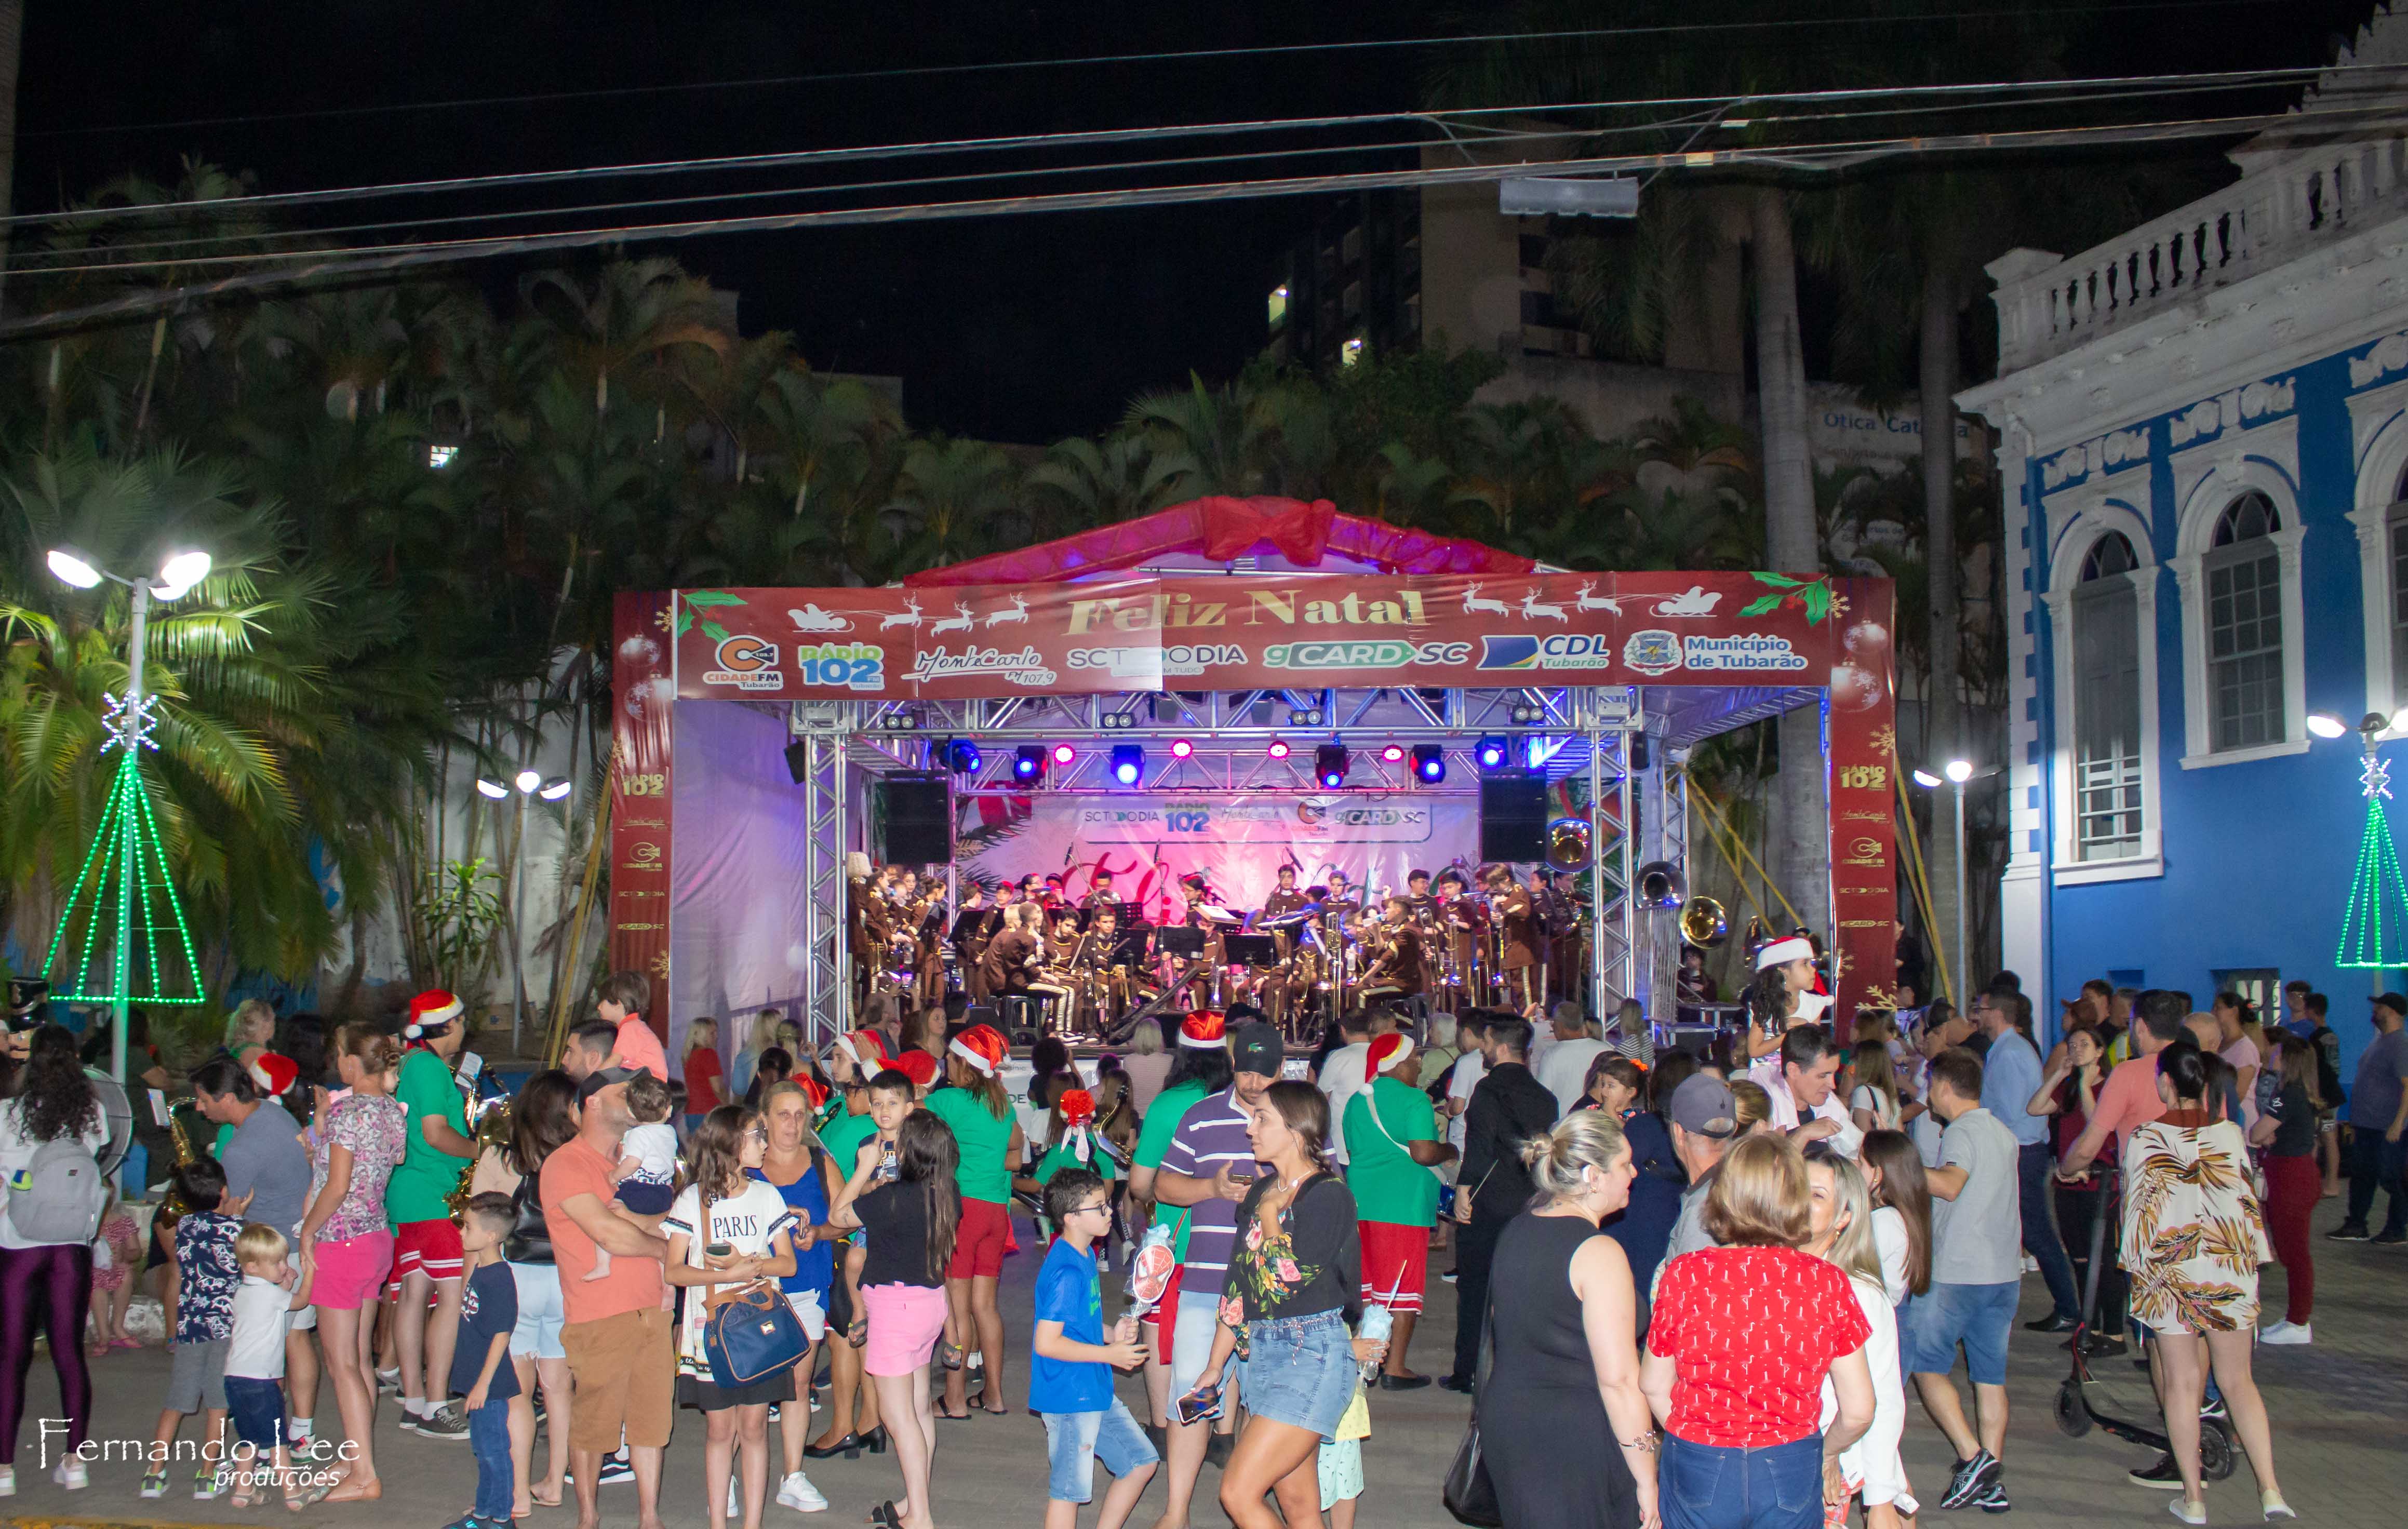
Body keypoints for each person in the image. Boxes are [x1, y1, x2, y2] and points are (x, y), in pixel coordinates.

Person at [1641, 1134, 1876, 1529]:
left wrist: (1694, 1433)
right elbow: (1860, 1410)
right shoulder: (1827, 1283)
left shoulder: (1686, 1274)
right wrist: (1826, 1453)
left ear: (1724, 1194)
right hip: (1790, 1461)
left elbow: (1652, 1384)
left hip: (1699, 1461)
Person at [1189, 1082, 1381, 1529]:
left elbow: (1284, 1280)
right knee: (1297, 1504)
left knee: (1238, 1493)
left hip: (1311, 1355)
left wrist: (1271, 1214)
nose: (1250, 1129)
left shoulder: (1328, 1195)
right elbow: (1239, 1287)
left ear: (1297, 1130)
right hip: (1263, 1355)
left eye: (1262, 1119)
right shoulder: (1262, 1191)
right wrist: (1215, 1366)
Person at [2124, 1042, 2289, 1523]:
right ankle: (2271, 1490)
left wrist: (2134, 1270)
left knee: (2182, 1384)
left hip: (2171, 1270)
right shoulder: (2231, 1134)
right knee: (2239, 1381)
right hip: (2226, 1266)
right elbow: (2245, 1203)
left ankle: (2194, 1498)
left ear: (2166, 1082)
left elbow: (2138, 1212)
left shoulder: (2145, 1137)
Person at [1481, 1110, 1659, 1529]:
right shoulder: (1599, 1253)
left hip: (1508, 1420)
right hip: (1573, 1438)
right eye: (1624, 1164)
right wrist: (1647, 1475)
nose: (1634, 1173)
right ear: (1594, 1177)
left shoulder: (1517, 1229)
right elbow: (1619, 1381)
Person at [1148, 1019, 1285, 1527]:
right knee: (1192, 1394)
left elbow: (1327, 1189)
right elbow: (1163, 1186)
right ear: (1232, 1063)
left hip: (1273, 1290)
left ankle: (1252, 1503)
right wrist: (1212, 1188)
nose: (1253, 1082)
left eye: (1264, 1073)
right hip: (1207, 1283)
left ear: (1282, 1068)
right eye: (1245, 1071)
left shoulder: (1297, 1116)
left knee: (1270, 1400)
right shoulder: (1201, 1116)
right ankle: (1176, 1511)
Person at [543, 1066, 675, 1529]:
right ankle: (588, 1517)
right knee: (594, 1424)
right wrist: (662, 1248)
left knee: (651, 1422)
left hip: (652, 1309)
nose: (636, 1098)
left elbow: (674, 1220)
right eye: (625, 1092)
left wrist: (651, 1231)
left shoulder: (640, 1155)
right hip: (599, 1312)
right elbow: (609, 1234)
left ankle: (649, 1517)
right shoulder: (566, 1163)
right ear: (593, 1102)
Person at [663, 1105, 801, 1529]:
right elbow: (673, 1271)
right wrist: (726, 1274)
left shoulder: (766, 1195)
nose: (765, 1143)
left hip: (758, 1327)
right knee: (720, 1431)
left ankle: (752, 1523)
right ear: (732, 1143)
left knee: (755, 1427)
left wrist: (751, 1266)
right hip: (713, 1331)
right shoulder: (693, 1199)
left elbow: (788, 1264)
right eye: (757, 1135)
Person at [830, 1102, 958, 1529]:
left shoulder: (892, 1198)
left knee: (898, 1416)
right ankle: (915, 1501)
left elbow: (838, 1216)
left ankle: (920, 1516)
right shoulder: (946, 1192)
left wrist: (865, 1168)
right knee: (918, 1411)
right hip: (929, 1304)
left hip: (896, 1309)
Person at [1904, 1047, 2022, 1513]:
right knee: (1989, 1378)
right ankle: (1991, 1484)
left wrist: (1901, 1168)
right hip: (2002, 1273)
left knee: (1926, 1365)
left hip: (1957, 1271)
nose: (1927, 1093)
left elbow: (1951, 1185)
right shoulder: (2003, 1133)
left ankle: (1974, 1459)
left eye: (1930, 1084)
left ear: (1945, 1087)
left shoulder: (1962, 1131)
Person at [0, 1022, 111, 1492]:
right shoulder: (94, 1115)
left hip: (17, 1243)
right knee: (69, 1354)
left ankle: (4, 1469)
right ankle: (75, 1462)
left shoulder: (8, 1114)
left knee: (11, 1357)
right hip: (71, 1245)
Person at [298, 1022, 406, 1504]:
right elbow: (387, 1162)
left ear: (350, 1062)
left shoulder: (349, 1113)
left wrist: (308, 1230)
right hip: (375, 1237)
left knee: (341, 1362)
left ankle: (364, 1474)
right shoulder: (391, 1111)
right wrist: (324, 1135)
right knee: (359, 1359)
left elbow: (338, 1186)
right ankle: (355, 1455)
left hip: (341, 1240)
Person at [465, 1068, 578, 1518]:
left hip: (515, 1281)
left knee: (517, 1393)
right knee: (559, 1389)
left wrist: (470, 1293)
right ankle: (554, 1482)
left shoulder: (501, 1159)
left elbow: (478, 1233)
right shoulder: (580, 1158)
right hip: (565, 1281)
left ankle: (516, 1495)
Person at [192, 1055, 319, 1440]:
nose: (199, 1108)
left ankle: (268, 1436)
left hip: (270, 1257)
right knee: (296, 1338)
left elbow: (230, 1210)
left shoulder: (241, 1148)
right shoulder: (274, 1113)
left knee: (266, 1350)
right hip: (300, 1242)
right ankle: (302, 1429)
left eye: (204, 1099)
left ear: (227, 1098)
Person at [1123, 1011, 1233, 1445]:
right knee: (1229, 1332)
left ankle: (1163, 1427)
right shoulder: (1239, 1102)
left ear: (1181, 1053)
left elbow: (1139, 1183)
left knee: (1159, 1331)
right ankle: (1224, 1435)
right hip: (1230, 1242)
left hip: (1175, 1245)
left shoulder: (1169, 1105)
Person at [1031, 1168, 1157, 1529]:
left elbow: (1076, 1324)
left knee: (1140, 1462)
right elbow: (1047, 1342)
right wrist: (1108, 1355)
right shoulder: (1067, 1272)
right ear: (1071, 1218)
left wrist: (1111, 1334)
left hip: (1091, 1388)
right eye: (1099, 1208)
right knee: (1068, 1493)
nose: (1109, 1213)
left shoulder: (1084, 1254)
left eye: (1107, 1204)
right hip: (1070, 1396)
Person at [1441, 1014, 1557, 1393]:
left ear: (1503, 1047)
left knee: (1475, 1286)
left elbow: (1480, 1144)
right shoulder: (1545, 1098)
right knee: (1524, 1287)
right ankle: (1521, 1368)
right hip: (1530, 1201)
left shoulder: (1488, 1090)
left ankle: (1468, 1370)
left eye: (1488, 1043)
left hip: (1488, 1200)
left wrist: (1464, 1189)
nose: (1483, 1050)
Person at [1803, 1149, 1914, 1529]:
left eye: (1817, 1195)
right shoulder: (1768, 1275)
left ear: (1844, 1216)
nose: (1800, 1201)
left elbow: (1882, 1397)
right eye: (1795, 1188)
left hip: (1832, 1465)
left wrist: (1881, 1497)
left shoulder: (1859, 1293)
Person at [386, 989, 479, 1441]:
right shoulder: (429, 1068)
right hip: (434, 1194)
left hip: (408, 1195)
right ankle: (437, 1404)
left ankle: (415, 1399)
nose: (464, 1029)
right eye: (462, 1021)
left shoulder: (411, 1063)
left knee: (413, 1295)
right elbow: (437, 1134)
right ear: (450, 1024)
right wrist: (479, 1152)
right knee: (449, 1296)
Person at [1339, 1032, 1453, 1387]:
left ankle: (1364, 1357)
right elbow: (1423, 1153)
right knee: (1402, 1288)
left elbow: (1352, 1150)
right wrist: (1449, 1151)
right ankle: (1395, 1367)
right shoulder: (1414, 1100)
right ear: (1398, 1064)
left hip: (1361, 1203)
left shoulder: (1358, 1100)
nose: (1419, 1064)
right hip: (1403, 1205)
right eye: (1415, 1058)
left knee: (1370, 1286)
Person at [922, 1022, 1023, 1419]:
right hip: (997, 1211)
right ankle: (994, 1395)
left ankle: (955, 1399)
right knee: (986, 1307)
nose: (945, 1063)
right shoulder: (1002, 1105)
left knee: (958, 1309)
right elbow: (1016, 1145)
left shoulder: (948, 1100)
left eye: (950, 1057)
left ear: (963, 1064)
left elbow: (906, 1112)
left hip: (963, 1210)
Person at [1969, 986, 2080, 1333]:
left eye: (1981, 1009)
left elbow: (2014, 1112)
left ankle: (2069, 1308)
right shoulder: (2006, 1049)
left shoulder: (2011, 1053)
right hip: (2019, 1151)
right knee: (2022, 1232)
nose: (1977, 1016)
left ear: (1997, 1013)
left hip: (2022, 1153)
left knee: (2036, 1234)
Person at [751, 1079, 839, 1511]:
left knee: (799, 1384)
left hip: (807, 1286)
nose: (792, 1123)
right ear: (764, 1119)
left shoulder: (821, 1163)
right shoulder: (745, 1164)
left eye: (800, 1115)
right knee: (749, 1390)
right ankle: (733, 1475)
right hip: (752, 1292)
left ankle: (793, 1474)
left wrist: (818, 1232)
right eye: (783, 1114)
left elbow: (846, 1219)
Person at [142, 1158, 244, 1501]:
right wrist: (237, 1216)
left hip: (191, 1327)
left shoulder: (184, 1226)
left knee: (176, 1400)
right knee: (218, 1404)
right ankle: (207, 1476)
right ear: (224, 1191)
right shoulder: (237, 1229)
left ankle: (154, 1474)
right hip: (225, 1328)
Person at [806, 1071, 888, 1463]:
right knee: (861, 1333)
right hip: (879, 1240)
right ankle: (871, 1420)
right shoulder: (899, 1133)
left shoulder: (854, 1131)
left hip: (854, 1241)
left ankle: (845, 1426)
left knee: (846, 1335)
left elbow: (842, 1209)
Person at [2028, 1026, 2117, 1350]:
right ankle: (2088, 1326)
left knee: (2101, 1259)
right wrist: (2058, 1075)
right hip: (2066, 1179)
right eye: (2072, 1045)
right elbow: (2035, 1108)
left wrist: (2085, 1085)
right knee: (2078, 1258)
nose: (2076, 1049)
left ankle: (2112, 1331)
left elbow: (2097, 1126)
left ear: (2099, 1051)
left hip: (2098, 1180)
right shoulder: (2069, 1088)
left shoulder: (2107, 1087)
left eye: (2084, 1044)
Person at [222, 1223, 311, 1510]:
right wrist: (309, 1273)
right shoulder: (273, 1296)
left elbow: (272, 1308)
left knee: (248, 1438)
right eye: (277, 1263)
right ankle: (292, 1492)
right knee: (277, 1440)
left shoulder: (242, 1293)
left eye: (284, 1260)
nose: (284, 1266)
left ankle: (243, 1490)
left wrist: (284, 1282)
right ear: (252, 1266)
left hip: (234, 1378)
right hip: (262, 1380)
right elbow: (300, 1302)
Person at [449, 1193, 523, 1529]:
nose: (461, 1232)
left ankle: (503, 1518)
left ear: (491, 1236)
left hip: (490, 1385)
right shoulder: (482, 1270)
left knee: (495, 1451)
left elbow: (501, 1334)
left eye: (468, 1227)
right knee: (483, 1450)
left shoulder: (499, 1278)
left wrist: (482, 1384)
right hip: (478, 1379)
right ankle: (482, 1514)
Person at [2253, 1036, 2322, 1344]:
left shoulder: (2289, 1095)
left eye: (2278, 1052)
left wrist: (2264, 1135)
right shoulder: (2297, 1093)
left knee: (2295, 1254)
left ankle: (2299, 1321)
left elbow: (2258, 1132)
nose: (2272, 1054)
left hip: (2291, 1178)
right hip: (2293, 1175)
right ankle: (2296, 1318)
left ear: (2289, 1060)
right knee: (2291, 1250)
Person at [2330, 990, 2408, 1243]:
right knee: (2363, 1176)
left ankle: (2396, 1228)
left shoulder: (2400, 1045)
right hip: (2368, 1126)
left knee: (2392, 1178)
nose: (2375, 1011)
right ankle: (2356, 1225)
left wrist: (2398, 1123)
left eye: (2379, 1007)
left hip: (2386, 1127)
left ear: (2392, 1012)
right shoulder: (2380, 1041)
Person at [587, 1071, 678, 1281]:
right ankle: (667, 1282)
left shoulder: (638, 1134)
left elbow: (633, 1163)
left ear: (631, 1112)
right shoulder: (670, 1133)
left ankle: (602, 1264)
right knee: (659, 1234)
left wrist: (613, 1176)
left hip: (638, 1189)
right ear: (669, 1110)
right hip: (663, 1191)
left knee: (608, 1220)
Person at [1663, 1073, 1740, 1265]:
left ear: (1678, 1132)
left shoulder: (1703, 1210)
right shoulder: (1743, 1186)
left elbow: (1686, 1281)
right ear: (1735, 1128)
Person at [1757, 1025, 1860, 1158]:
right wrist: (1803, 1134)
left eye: (1834, 1074)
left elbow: (1857, 1154)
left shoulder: (1831, 1107)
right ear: (1793, 1071)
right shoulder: (1765, 1113)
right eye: (1823, 1076)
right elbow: (1764, 1169)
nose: (1833, 1085)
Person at [1857, 1130, 1931, 1311]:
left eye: (1860, 1163)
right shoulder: (1900, 1214)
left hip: (1878, 1312)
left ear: (1878, 1174)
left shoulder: (1886, 1221)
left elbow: (1854, 1268)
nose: (1856, 1168)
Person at [1743, 935, 1830, 1061]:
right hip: (1765, 1070)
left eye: (1813, 963)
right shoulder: (1766, 1004)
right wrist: (1788, 1036)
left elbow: (1815, 1050)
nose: (1813, 969)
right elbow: (1754, 1051)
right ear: (1783, 970)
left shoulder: (1814, 1004)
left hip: (1800, 1069)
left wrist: (1807, 1029)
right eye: (1805, 964)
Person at [1314, 1012, 1372, 1166]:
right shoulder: (1383, 1054)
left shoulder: (1339, 1057)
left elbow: (1321, 1098)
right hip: (1377, 1145)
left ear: (1343, 1030)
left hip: (1343, 1145)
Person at [1534, 1007, 1610, 1119]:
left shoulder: (1553, 1054)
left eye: (1553, 1023)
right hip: (1600, 1120)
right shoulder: (1606, 1050)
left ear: (1560, 1026)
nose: (1552, 1027)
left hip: (1566, 1122)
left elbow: (1543, 1094)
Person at [596, 970, 671, 1082]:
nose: (599, 1007)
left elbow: (615, 1060)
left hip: (648, 1084)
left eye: (602, 1001)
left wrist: (591, 1082)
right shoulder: (634, 1026)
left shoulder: (630, 1027)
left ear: (617, 1004)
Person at [728, 1009, 782, 1111]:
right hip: (778, 1108)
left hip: (752, 1109)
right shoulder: (783, 1054)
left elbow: (738, 1089)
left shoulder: (744, 1055)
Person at [683, 1017, 728, 1134]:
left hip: (691, 1111)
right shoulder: (708, 1054)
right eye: (712, 1033)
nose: (716, 1036)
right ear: (702, 1035)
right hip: (709, 1111)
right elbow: (718, 1088)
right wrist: (727, 1107)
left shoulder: (689, 1056)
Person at [1849, 1040, 1903, 1135]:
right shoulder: (1889, 1094)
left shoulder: (1863, 1092)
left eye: (1855, 1060)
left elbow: (1865, 1136)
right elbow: (1900, 1131)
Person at [1121, 1023, 1171, 1115]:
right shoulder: (1169, 1060)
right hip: (1160, 1114)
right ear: (1159, 1037)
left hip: (1136, 1116)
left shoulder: (1128, 1061)